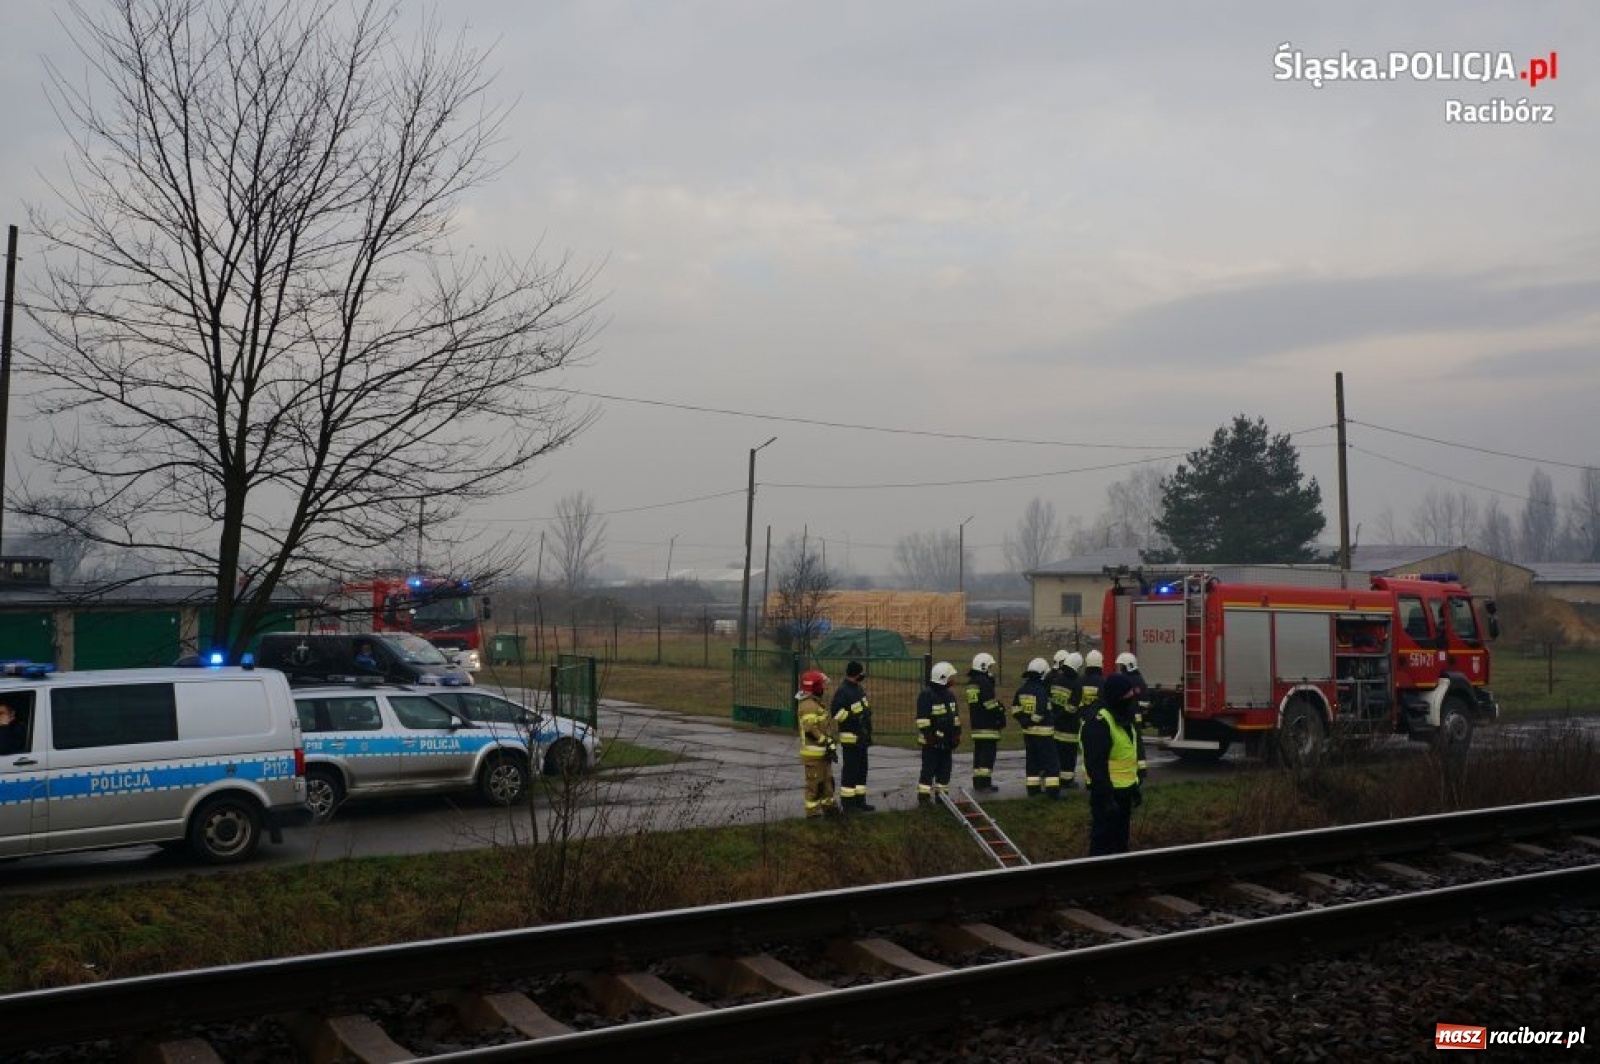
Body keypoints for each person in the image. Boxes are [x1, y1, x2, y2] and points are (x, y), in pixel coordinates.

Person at [1081, 672, 1148, 856]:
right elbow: (1095, 765)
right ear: (1117, 697)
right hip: (1107, 795)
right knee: (1102, 844)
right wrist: (1106, 796)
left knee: (1120, 844)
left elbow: (1128, 756)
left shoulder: (1125, 719)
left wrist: (1135, 787)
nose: (1131, 701)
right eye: (1128, 696)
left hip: (1125, 793)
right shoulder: (1100, 722)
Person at [1011, 657, 1060, 798]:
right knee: (1051, 763)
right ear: (1042, 673)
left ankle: (1033, 790)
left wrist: (1024, 721)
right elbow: (1040, 712)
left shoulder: (1021, 690)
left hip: (1028, 733)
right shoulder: (1041, 691)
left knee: (1032, 762)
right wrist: (1032, 720)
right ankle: (1052, 792)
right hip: (1044, 734)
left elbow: (1015, 709)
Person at [796, 669, 841, 818]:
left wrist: (830, 743)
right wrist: (826, 741)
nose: (824, 689)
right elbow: (810, 729)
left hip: (822, 753)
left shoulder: (815, 703)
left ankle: (829, 807)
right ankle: (813, 813)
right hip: (813, 755)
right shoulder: (808, 705)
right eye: (822, 686)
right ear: (815, 687)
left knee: (827, 782)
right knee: (814, 785)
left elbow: (823, 727)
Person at [831, 660, 875, 812]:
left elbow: (864, 708)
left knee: (862, 771)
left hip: (862, 739)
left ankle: (860, 801)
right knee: (850, 772)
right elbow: (836, 713)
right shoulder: (843, 691)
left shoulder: (858, 689)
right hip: (851, 739)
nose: (863, 675)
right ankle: (848, 805)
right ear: (855, 674)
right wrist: (854, 718)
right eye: (861, 673)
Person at [916, 661, 962, 805]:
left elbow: (955, 717)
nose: (952, 680)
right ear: (942, 678)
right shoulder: (926, 695)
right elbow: (922, 720)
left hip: (947, 742)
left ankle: (942, 797)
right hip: (931, 743)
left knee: (945, 770)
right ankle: (924, 798)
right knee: (928, 770)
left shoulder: (950, 695)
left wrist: (956, 734)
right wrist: (930, 737)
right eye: (950, 677)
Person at [964, 653, 1006, 792]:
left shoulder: (972, 682)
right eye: (989, 667)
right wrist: (1000, 711)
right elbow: (989, 704)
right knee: (987, 756)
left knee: (978, 754)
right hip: (988, 725)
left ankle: (978, 782)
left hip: (976, 724)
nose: (990, 670)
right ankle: (985, 784)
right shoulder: (984, 682)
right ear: (983, 667)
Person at [1048, 650, 1084, 790]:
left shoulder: (1056, 680)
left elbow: (1050, 699)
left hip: (1055, 726)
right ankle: (1067, 781)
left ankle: (1056, 777)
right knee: (1069, 756)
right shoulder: (1076, 684)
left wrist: (1055, 716)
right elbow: (1072, 707)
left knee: (1057, 754)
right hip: (1069, 727)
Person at [1116, 651, 1151, 775]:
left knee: (1125, 742)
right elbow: (1145, 702)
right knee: (1137, 742)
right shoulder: (1140, 680)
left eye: (1122, 666)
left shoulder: (1123, 680)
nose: (1121, 668)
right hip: (1136, 718)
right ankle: (1141, 768)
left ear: (1128, 665)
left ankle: (1129, 767)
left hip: (1125, 717)